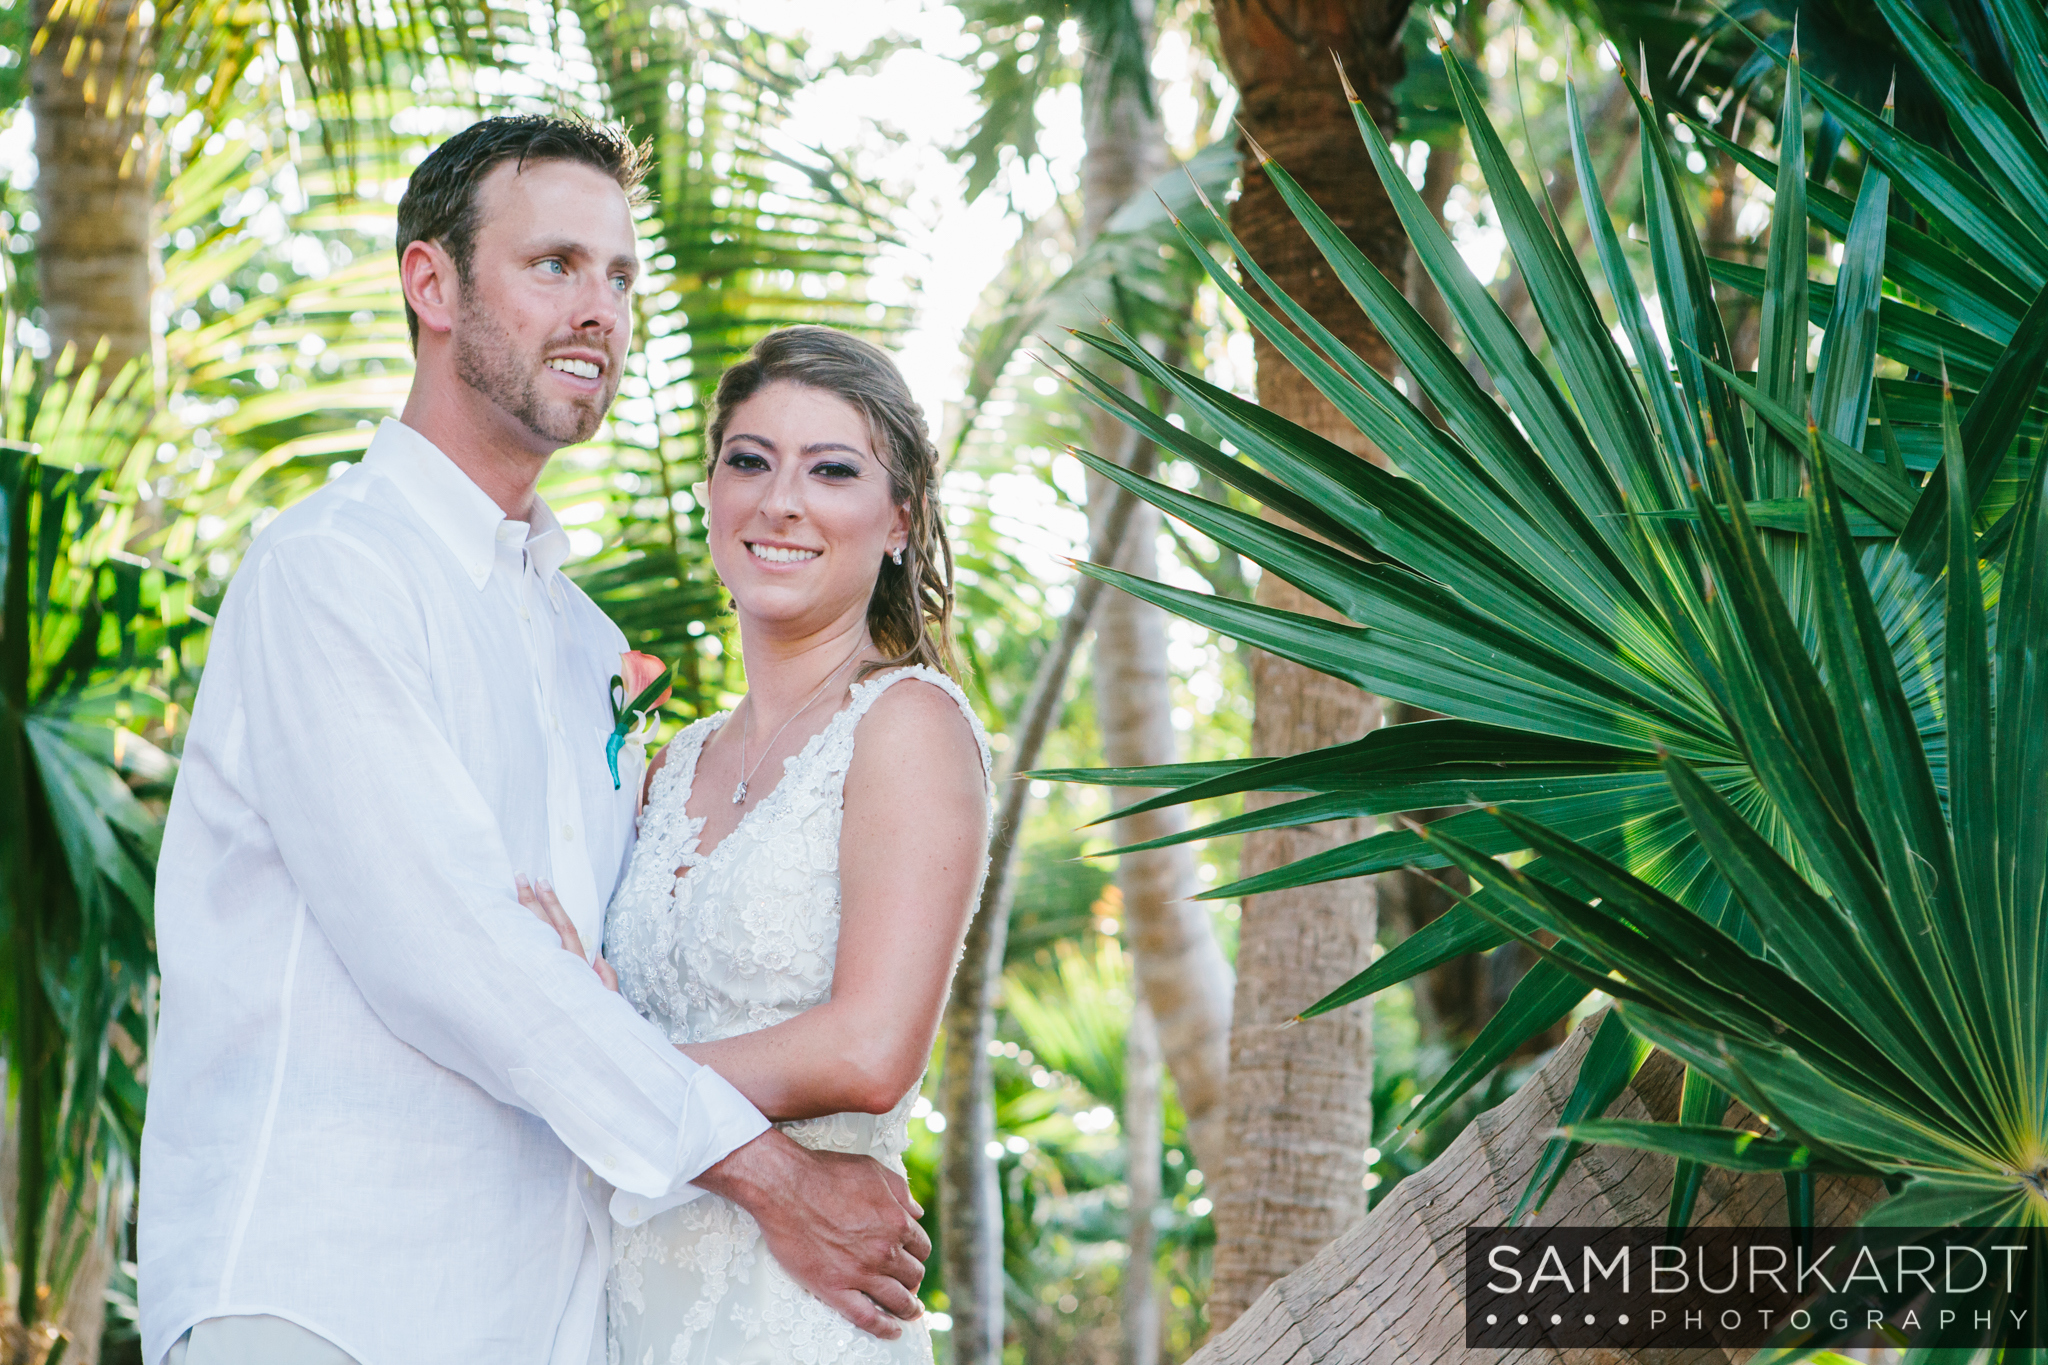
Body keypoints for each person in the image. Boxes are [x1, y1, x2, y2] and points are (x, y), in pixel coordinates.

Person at [138, 118, 929, 1365]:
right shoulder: (331, 576)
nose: (600, 311)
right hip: (326, 1299)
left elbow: (592, 971)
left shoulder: (581, 645)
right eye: (554, 264)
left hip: (552, 1316)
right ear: (430, 284)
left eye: (619, 277)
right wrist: (775, 1180)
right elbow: (457, 953)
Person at [520, 326, 991, 1364]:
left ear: (899, 520)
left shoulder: (906, 726)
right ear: (710, 494)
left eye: (831, 470)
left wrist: (595, 1075)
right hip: (626, 1303)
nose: (781, 501)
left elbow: (868, 1051)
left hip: (803, 1312)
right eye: (750, 461)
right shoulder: (666, 766)